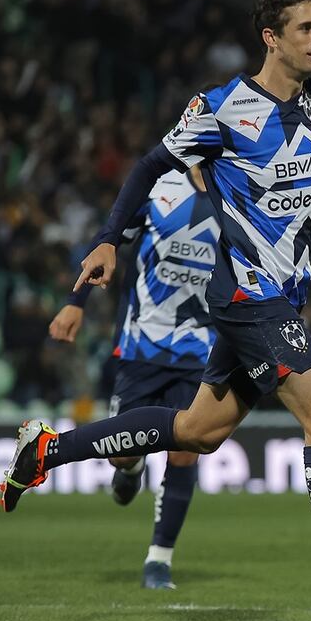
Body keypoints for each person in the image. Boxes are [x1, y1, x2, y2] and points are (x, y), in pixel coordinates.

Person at [0, 0, 311, 621]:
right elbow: (150, 166)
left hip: (279, 298)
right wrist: (107, 242)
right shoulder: (223, 108)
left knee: (195, 432)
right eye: (306, 29)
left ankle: (46, 452)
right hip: (247, 296)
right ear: (271, 38)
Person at [48, 166, 217, 590]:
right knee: (121, 454)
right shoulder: (161, 188)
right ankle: (130, 467)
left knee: (185, 450)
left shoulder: (237, 192)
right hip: (143, 342)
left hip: (201, 347)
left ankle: (158, 560)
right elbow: (108, 241)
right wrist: (76, 302)